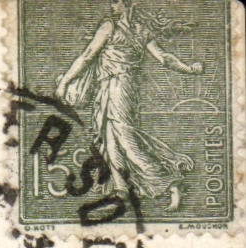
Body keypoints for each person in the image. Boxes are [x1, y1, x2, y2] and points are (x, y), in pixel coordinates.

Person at [55, 0, 204, 213]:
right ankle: (121, 190)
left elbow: (87, 56)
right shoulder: (141, 30)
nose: (112, 6)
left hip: (117, 88)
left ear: (128, 4)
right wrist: (188, 69)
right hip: (120, 89)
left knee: (126, 139)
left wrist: (64, 82)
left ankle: (170, 183)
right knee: (109, 138)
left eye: (116, 2)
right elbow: (164, 57)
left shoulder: (110, 27)